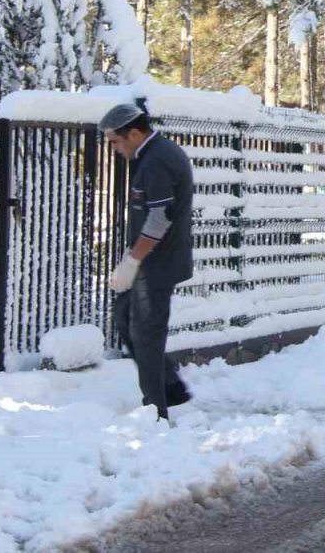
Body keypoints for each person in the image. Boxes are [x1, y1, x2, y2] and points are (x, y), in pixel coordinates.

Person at [100, 103, 194, 419]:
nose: (113, 148)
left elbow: (159, 217)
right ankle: (170, 388)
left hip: (157, 263)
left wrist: (132, 261)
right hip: (150, 260)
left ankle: (156, 411)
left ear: (135, 133)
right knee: (125, 320)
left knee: (145, 332)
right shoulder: (152, 156)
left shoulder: (157, 160)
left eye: (115, 141)